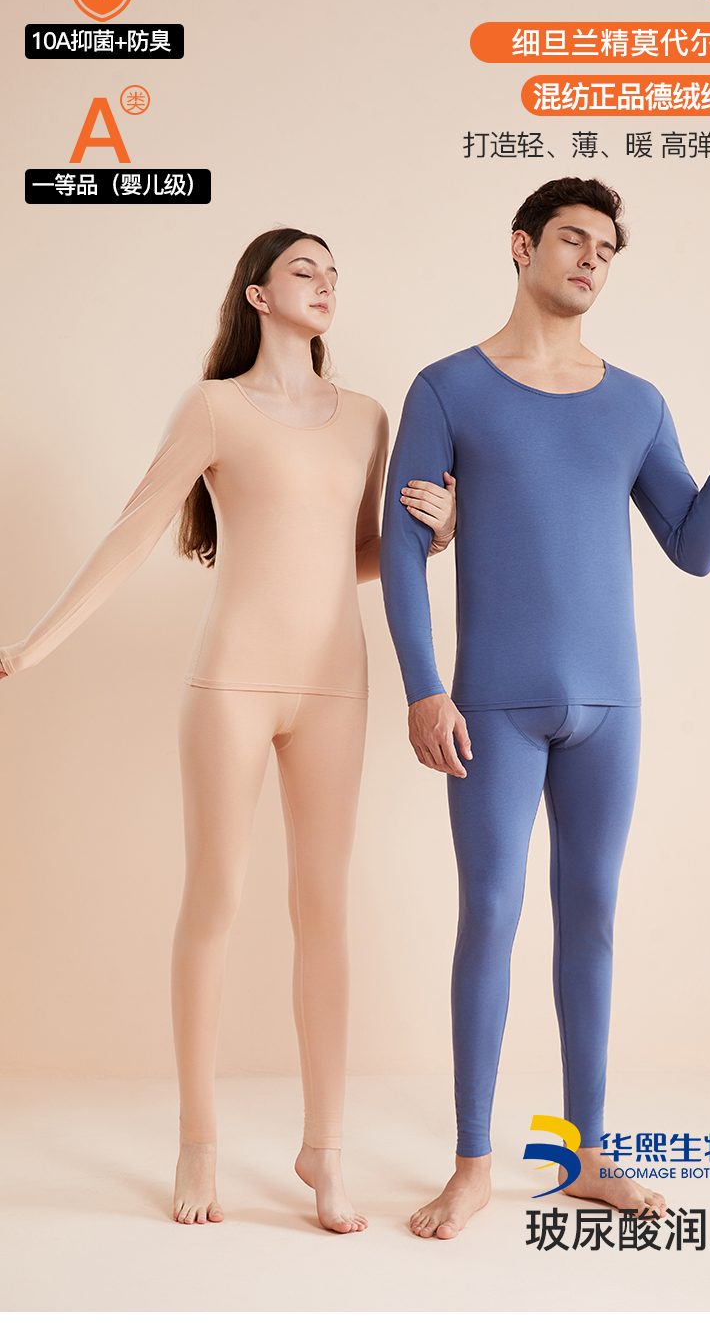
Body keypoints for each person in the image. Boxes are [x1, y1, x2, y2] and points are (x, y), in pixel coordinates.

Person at [0, 227, 457, 1230]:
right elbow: (130, 533)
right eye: (304, 270)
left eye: (333, 274)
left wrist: (434, 535)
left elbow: (361, 554)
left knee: (324, 912)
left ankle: (323, 1152)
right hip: (232, 685)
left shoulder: (367, 417)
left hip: (335, 687)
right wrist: (32, 647)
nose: (325, 284)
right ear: (257, 293)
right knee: (214, 899)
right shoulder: (213, 407)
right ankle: (197, 1141)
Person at [380, 177, 710, 1239]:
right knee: (491, 912)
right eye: (572, 239)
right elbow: (400, 548)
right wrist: (424, 686)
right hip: (491, 705)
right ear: (522, 247)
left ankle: (587, 1155)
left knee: (591, 913)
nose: (591, 259)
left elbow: (694, 547)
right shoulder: (447, 389)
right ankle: (473, 1164)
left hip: (611, 705)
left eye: (606, 248)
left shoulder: (636, 403)